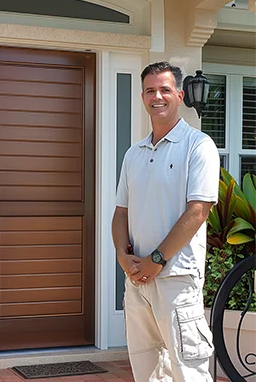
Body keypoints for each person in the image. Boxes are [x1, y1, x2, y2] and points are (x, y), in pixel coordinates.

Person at [112, 61, 220, 382]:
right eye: (150, 90)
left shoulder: (198, 146)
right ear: (143, 97)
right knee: (147, 374)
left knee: (190, 373)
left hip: (176, 281)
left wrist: (156, 260)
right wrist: (122, 256)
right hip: (137, 282)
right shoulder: (134, 154)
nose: (156, 96)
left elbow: (199, 211)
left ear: (179, 95)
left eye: (164, 89)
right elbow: (121, 213)